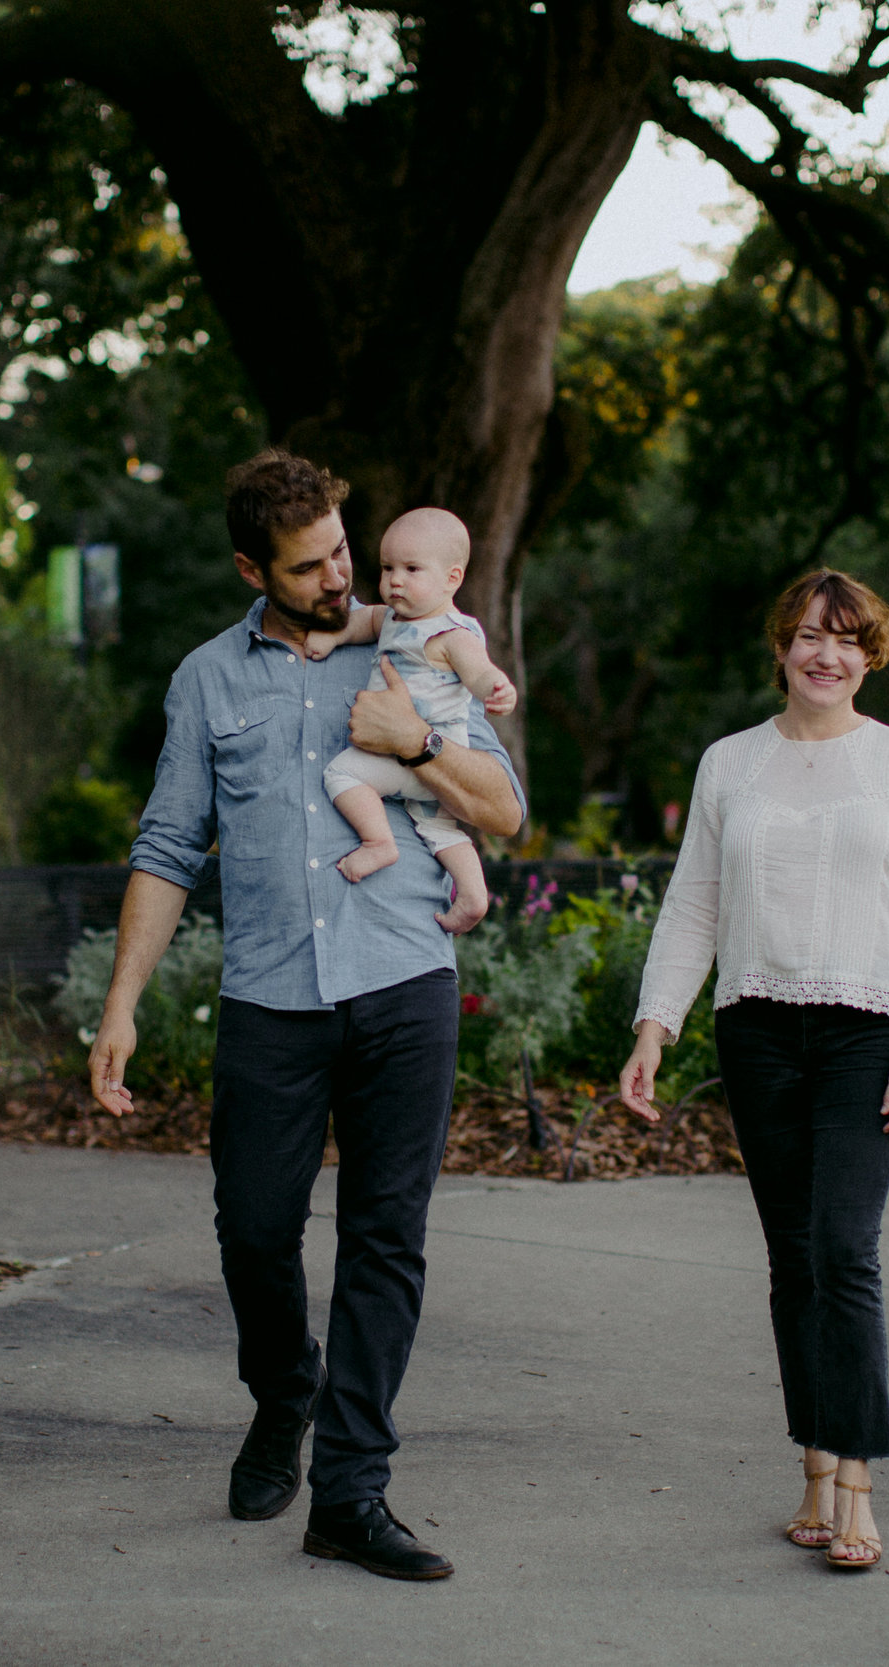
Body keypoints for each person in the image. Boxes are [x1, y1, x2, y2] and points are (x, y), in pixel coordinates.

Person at [87, 448, 524, 1582]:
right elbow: (171, 844)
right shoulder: (207, 679)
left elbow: (506, 811)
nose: (340, 575)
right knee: (252, 1226)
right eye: (311, 564)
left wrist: (415, 744)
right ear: (252, 567)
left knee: (386, 1240)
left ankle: (350, 1490)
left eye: (343, 548)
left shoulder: (420, 640)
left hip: (403, 982)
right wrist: (120, 1006)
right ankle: (284, 1394)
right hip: (270, 996)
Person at [617, 568, 889, 1575]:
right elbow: (693, 906)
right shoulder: (732, 763)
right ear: (780, 646)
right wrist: (654, 1026)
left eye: (846, 637)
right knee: (792, 1259)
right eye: (809, 633)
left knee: (844, 1249)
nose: (826, 652)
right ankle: (813, 1460)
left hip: (866, 1030)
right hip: (756, 1029)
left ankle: (856, 1479)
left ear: (869, 653)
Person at [305, 506, 515, 931]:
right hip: (426, 774)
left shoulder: (451, 634)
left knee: (341, 775)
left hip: (423, 753)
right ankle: (473, 898)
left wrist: (496, 687)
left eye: (412, 569)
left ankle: (378, 841)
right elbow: (363, 620)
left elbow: (477, 670)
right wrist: (335, 636)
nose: (394, 580)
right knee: (439, 829)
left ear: (451, 579)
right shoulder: (395, 619)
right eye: (387, 568)